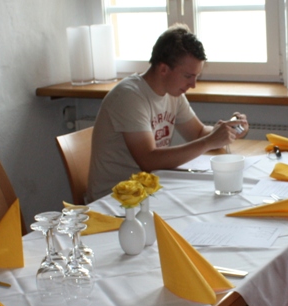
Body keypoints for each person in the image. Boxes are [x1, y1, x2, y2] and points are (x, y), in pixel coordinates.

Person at [86, 24, 250, 202]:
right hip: (114, 200)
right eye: (188, 76)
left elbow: (198, 133)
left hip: (149, 191)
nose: (193, 84)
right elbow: (148, 160)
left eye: (196, 76)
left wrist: (227, 130)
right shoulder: (129, 96)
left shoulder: (172, 92)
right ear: (163, 69)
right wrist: (209, 141)